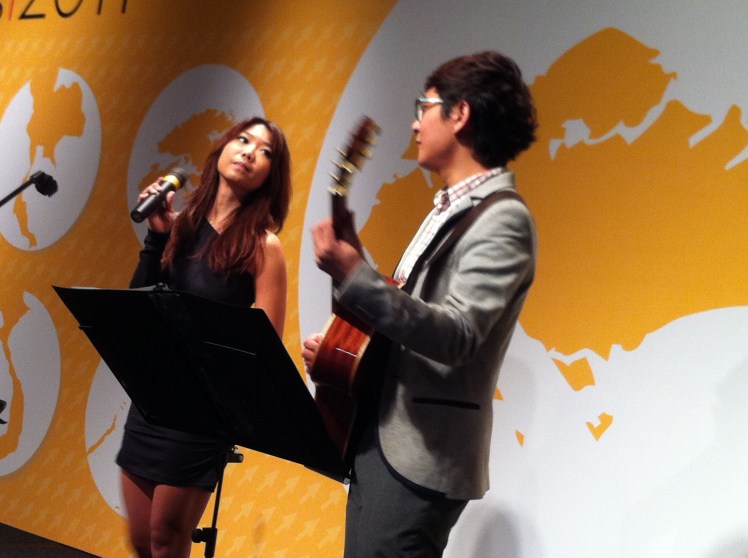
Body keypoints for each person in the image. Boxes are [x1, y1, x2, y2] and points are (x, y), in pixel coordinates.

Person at [302, 51, 538, 557]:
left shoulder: (504, 218)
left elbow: (457, 336)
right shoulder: (449, 207)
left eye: (424, 107)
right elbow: (408, 316)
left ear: (460, 114)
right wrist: (344, 345)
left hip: (421, 449)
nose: (414, 123)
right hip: (382, 436)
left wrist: (356, 276)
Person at [117, 116, 291, 558]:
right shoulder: (180, 226)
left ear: (271, 176)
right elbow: (139, 306)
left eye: (265, 152)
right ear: (222, 148)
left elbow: (265, 347)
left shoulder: (263, 246)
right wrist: (156, 236)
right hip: (153, 399)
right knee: (140, 540)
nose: (249, 152)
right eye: (243, 139)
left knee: (166, 538)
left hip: (201, 413)